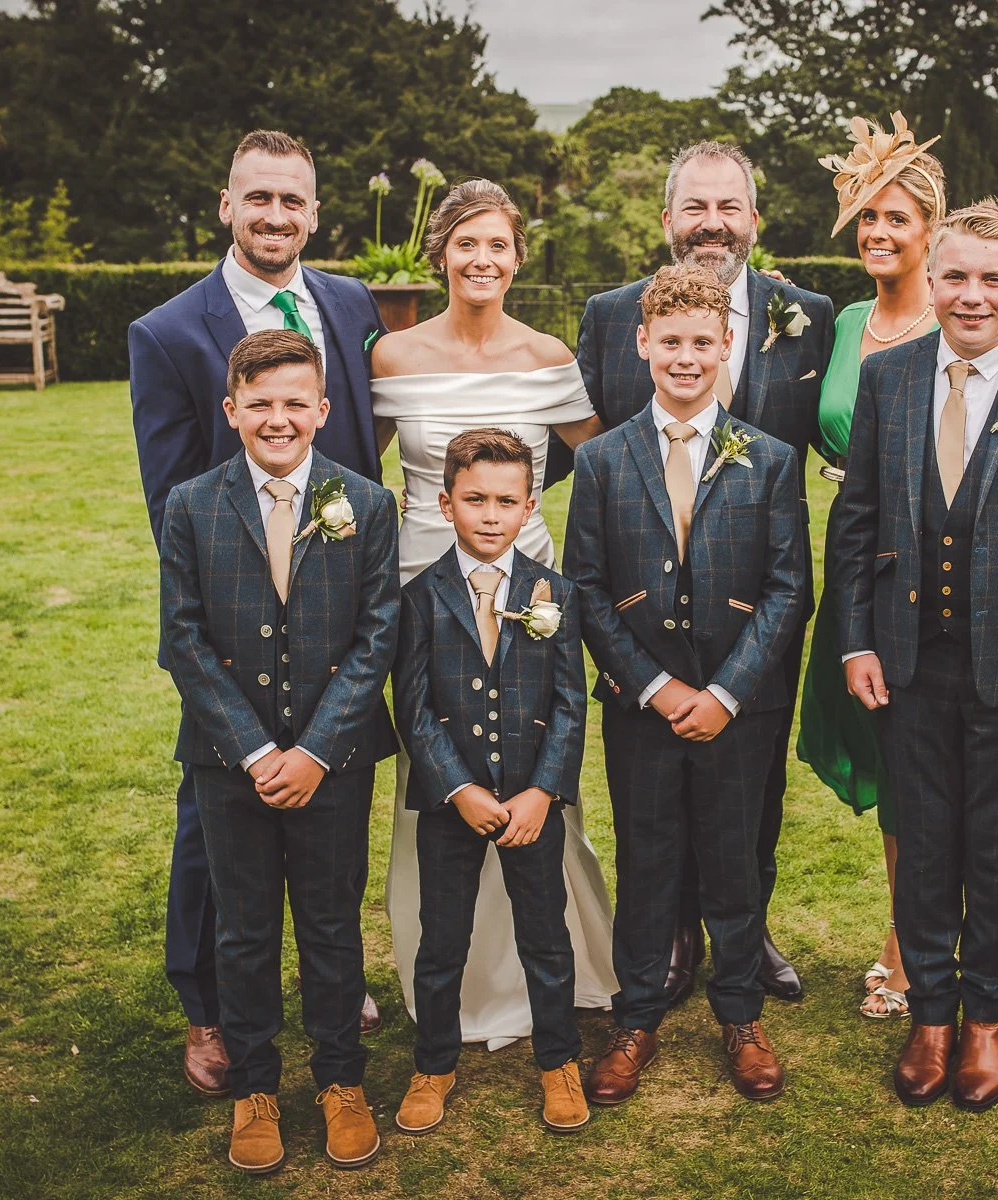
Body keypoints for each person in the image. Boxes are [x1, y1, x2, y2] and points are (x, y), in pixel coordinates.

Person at [799, 115, 998, 1019]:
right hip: (903, 653)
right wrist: (856, 640)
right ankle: (930, 1011)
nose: (972, 296)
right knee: (924, 837)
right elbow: (857, 520)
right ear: (934, 280)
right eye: (957, 278)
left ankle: (985, 1017)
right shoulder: (888, 375)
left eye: (992, 281)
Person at [128, 129, 385, 1097]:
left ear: (314, 213)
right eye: (258, 198)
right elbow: (169, 500)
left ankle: (331, 980)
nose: (275, 216)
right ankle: (209, 1008)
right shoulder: (168, 333)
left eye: (292, 200)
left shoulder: (350, 305)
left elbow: (364, 446)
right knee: (215, 814)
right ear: (227, 207)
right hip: (234, 616)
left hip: (339, 601)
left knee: (334, 811)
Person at [555, 141, 834, 1007]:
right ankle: (674, 931)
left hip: (759, 609)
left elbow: (850, 433)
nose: (712, 224)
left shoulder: (810, 314)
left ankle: (745, 926)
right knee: (652, 797)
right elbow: (583, 442)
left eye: (729, 208)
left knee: (755, 786)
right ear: (667, 218)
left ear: (754, 218)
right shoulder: (611, 315)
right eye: (695, 208)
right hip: (647, 610)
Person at [370, 179, 617, 1050]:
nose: (482, 260)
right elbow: (358, 476)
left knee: (535, 764)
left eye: (498, 246)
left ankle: (551, 969)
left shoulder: (546, 356)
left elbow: (608, 462)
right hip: (421, 590)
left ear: (517, 258)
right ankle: (452, 982)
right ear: (440, 254)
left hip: (528, 592)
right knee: (437, 773)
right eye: (466, 244)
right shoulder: (391, 357)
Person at [157, 329, 399, 1172]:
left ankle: (340, 1080)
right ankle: (256, 1087)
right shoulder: (191, 505)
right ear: (231, 411)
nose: (278, 418)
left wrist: (316, 750)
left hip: (336, 762)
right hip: (230, 763)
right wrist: (258, 750)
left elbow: (377, 637)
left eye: (296, 402)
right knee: (245, 930)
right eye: (259, 403)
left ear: (323, 410)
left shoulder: (366, 504)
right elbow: (183, 640)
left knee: (331, 923)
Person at [566, 265, 808, 1106]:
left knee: (734, 862)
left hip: (741, 709)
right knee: (648, 860)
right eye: (671, 341)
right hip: (642, 709)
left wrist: (725, 693)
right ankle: (635, 1018)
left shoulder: (769, 459)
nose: (686, 357)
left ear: (727, 345)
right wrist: (656, 688)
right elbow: (586, 587)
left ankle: (740, 1015)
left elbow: (788, 590)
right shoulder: (602, 460)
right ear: (643, 344)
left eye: (703, 342)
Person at [392, 429, 592, 1137]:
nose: (490, 514)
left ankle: (558, 1060)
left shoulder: (554, 593)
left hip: (532, 801)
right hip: (453, 806)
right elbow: (412, 707)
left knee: (546, 937)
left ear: (529, 506)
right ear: (445, 503)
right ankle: (433, 1063)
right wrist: (457, 788)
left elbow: (570, 702)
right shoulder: (419, 597)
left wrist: (543, 791)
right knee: (441, 940)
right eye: (475, 499)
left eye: (506, 501)